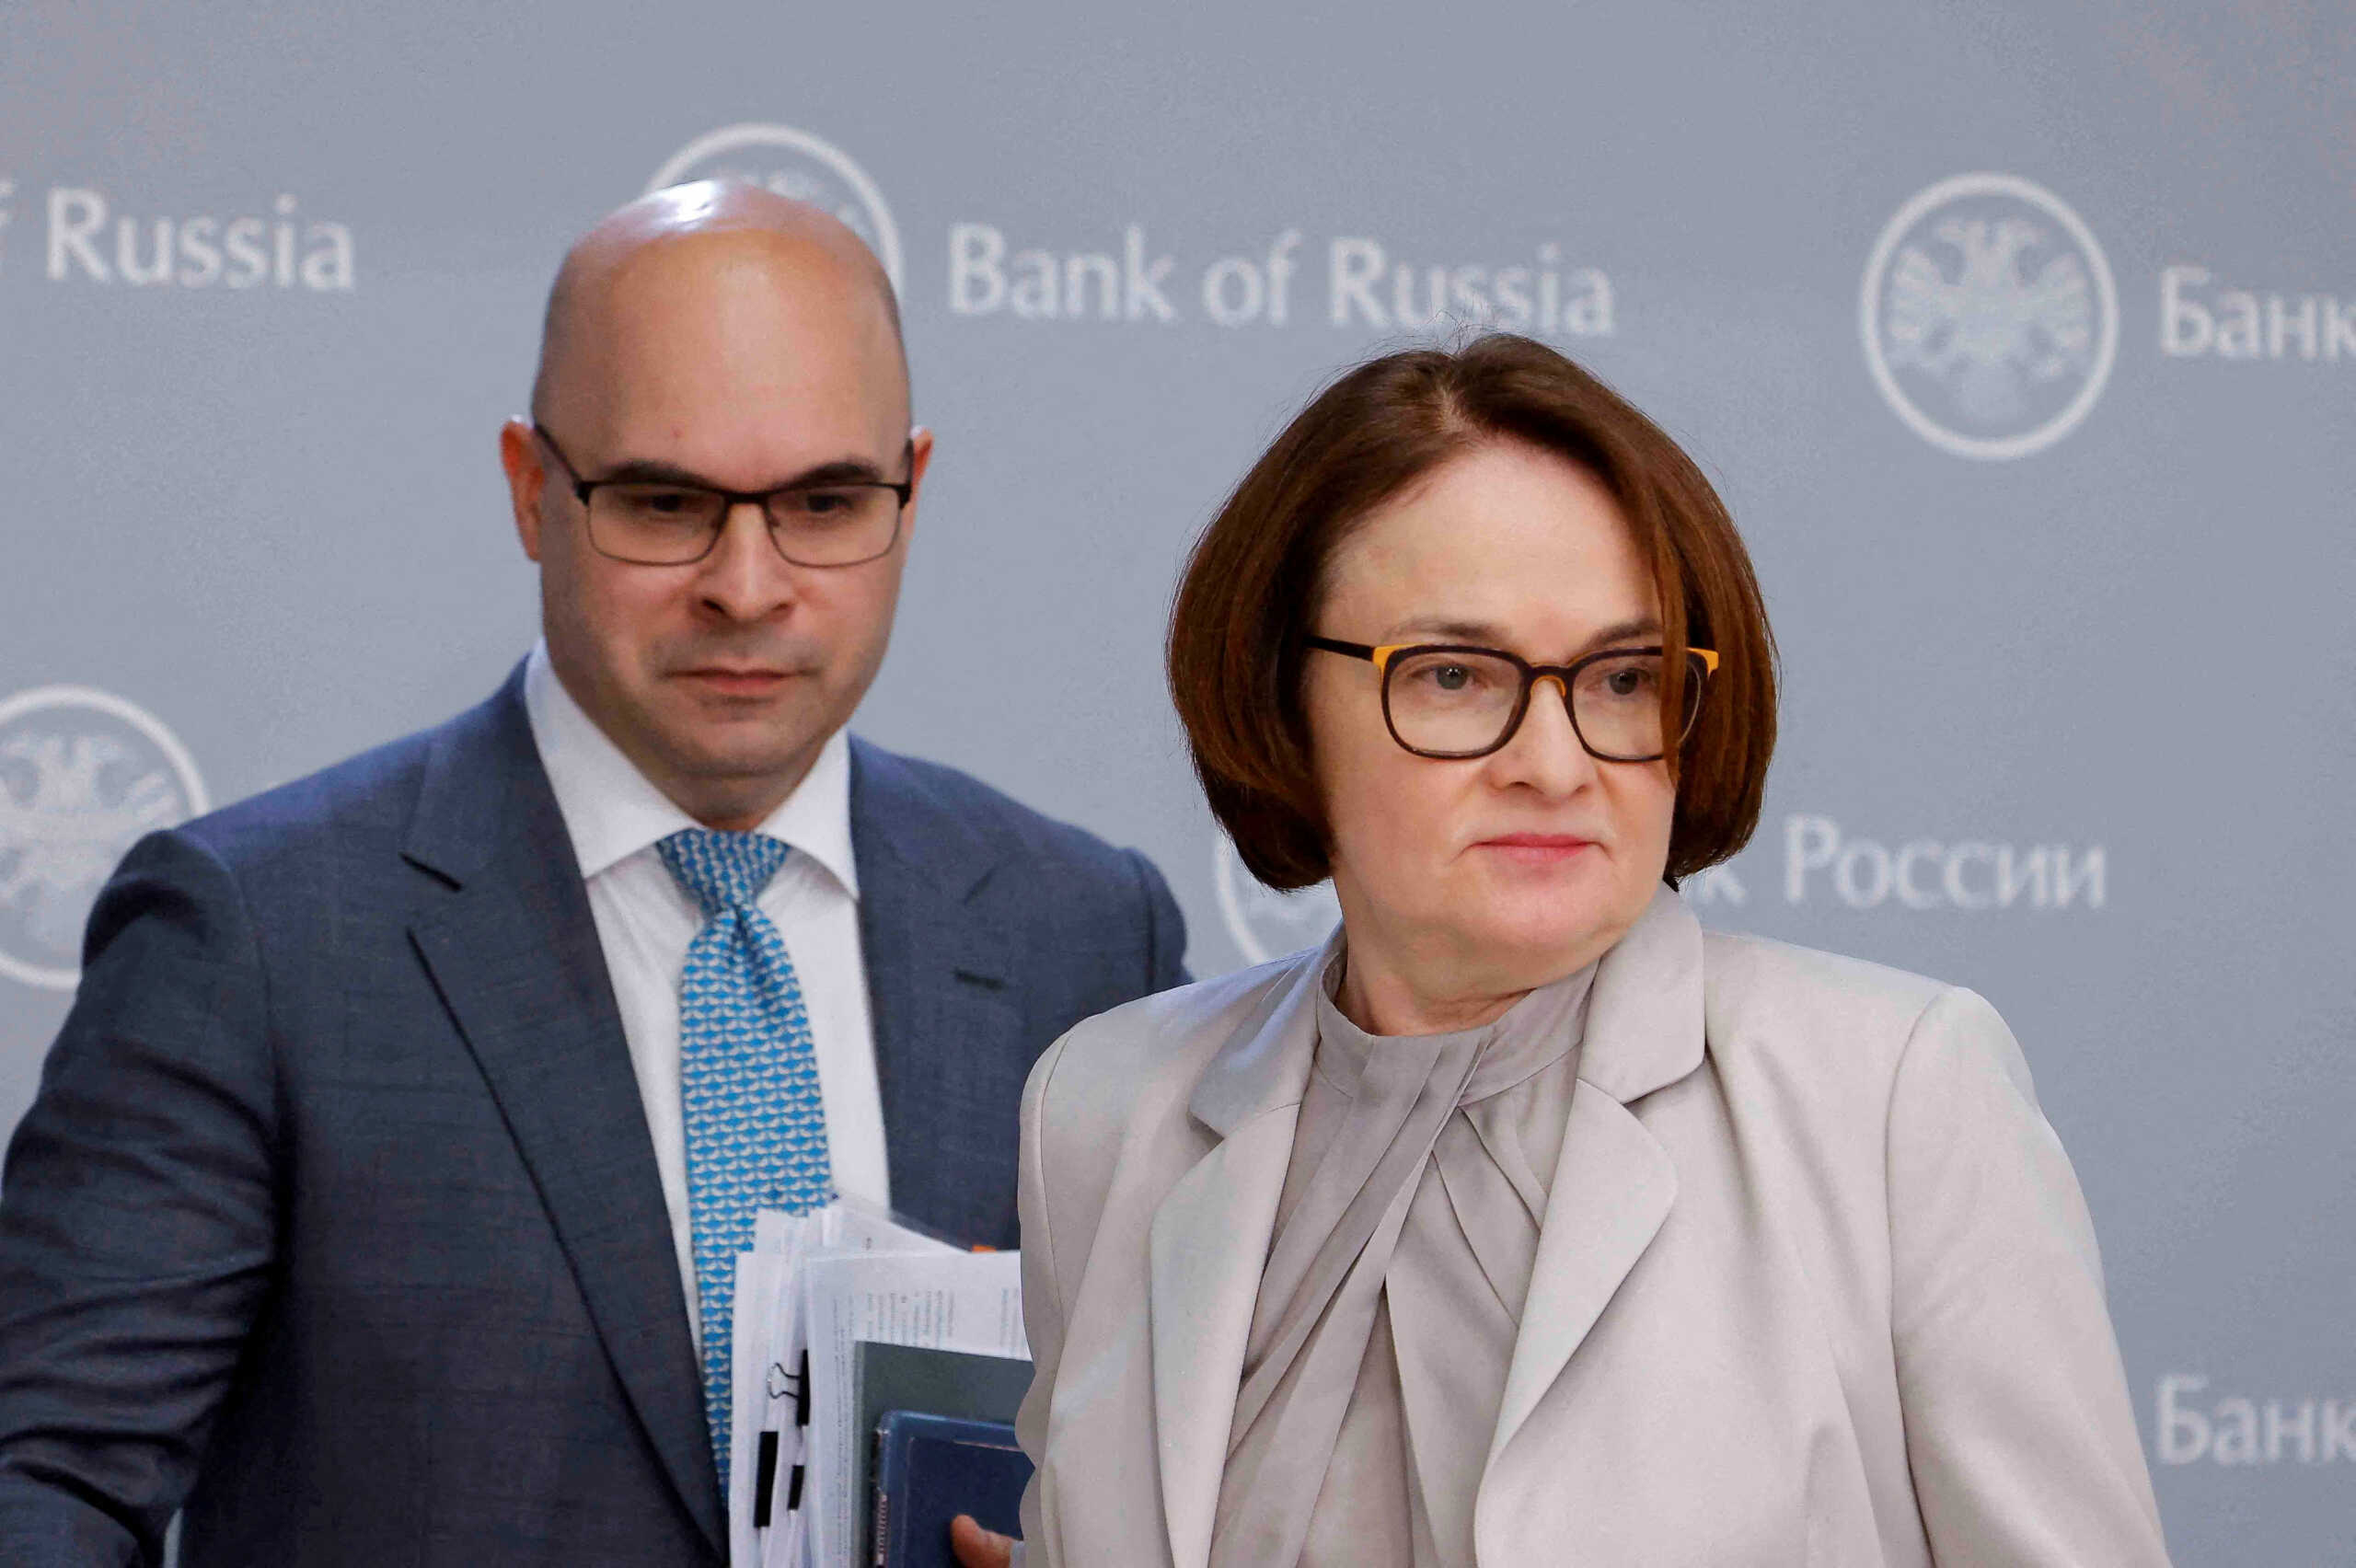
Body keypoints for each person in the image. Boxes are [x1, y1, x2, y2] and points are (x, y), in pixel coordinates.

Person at [0, 182, 1186, 1567]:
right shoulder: (259, 938)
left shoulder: (1086, 936)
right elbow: (47, 1483)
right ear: (530, 489)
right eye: (666, 501)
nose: (748, 584)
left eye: (823, 500)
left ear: (910, 495)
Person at [993, 335, 2170, 1566]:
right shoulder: (1107, 1112)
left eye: (1620, 680)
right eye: (1454, 674)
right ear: (1282, 697)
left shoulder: (1895, 1099)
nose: (1554, 765)